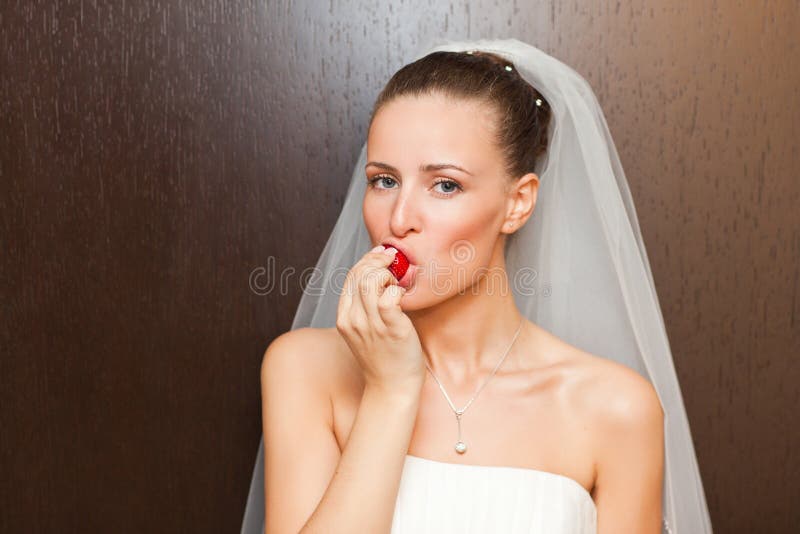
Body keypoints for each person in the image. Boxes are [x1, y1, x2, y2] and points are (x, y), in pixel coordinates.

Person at [241, 38, 713, 534]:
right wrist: (390, 392)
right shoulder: (305, 370)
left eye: (445, 185)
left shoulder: (616, 409)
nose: (398, 220)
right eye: (384, 180)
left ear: (518, 203)